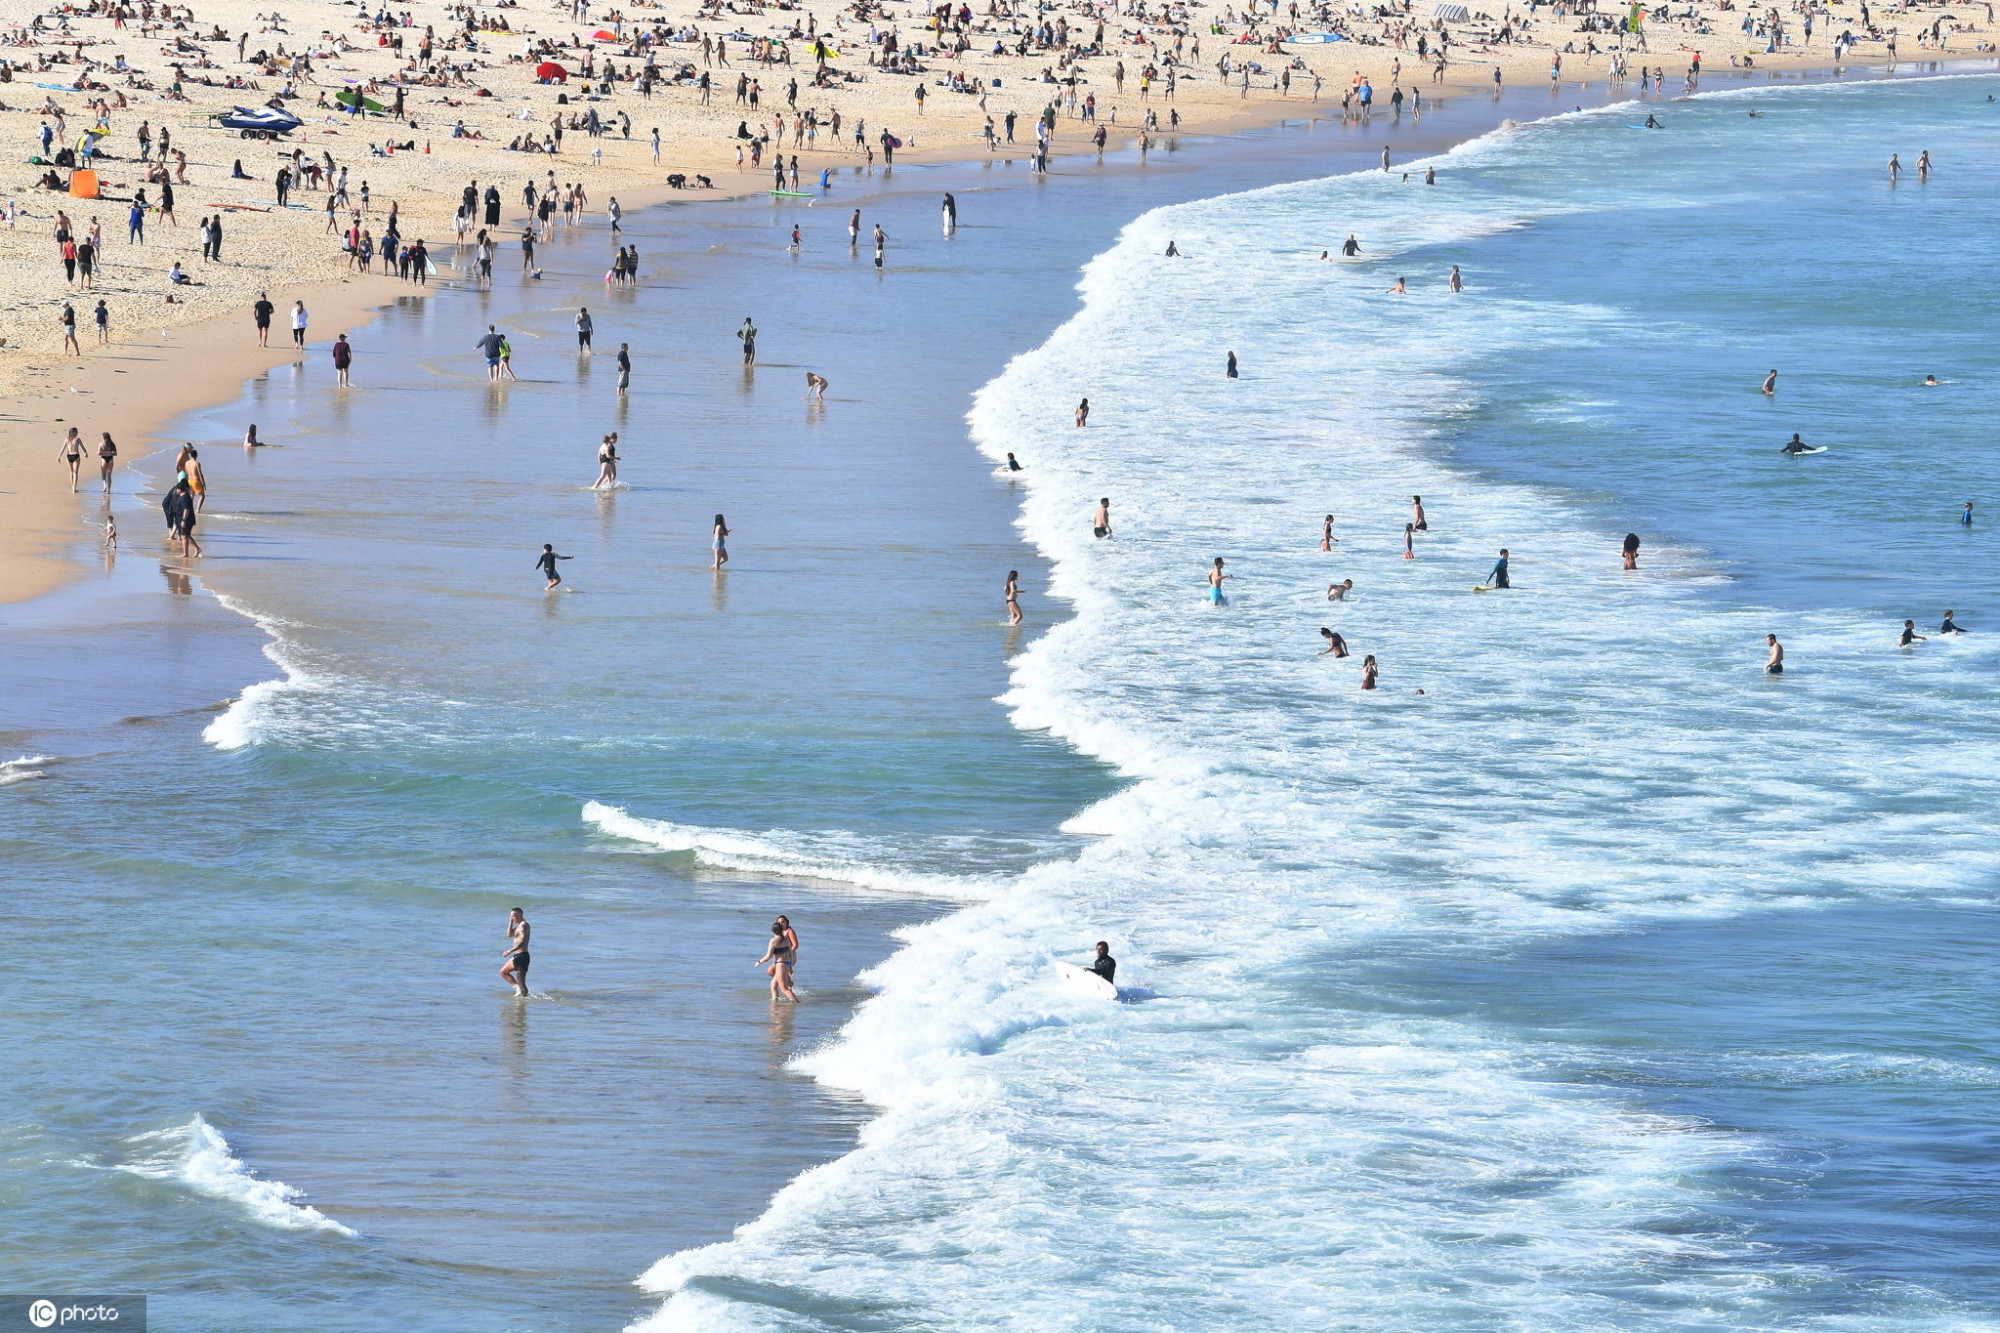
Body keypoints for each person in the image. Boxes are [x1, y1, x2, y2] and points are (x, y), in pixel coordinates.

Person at [756, 916, 799, 1001]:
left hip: (785, 960)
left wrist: (759, 962)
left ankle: (796, 1003)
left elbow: (795, 945)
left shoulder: (788, 932)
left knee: (784, 989)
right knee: (773, 982)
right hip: (785, 961)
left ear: (787, 922)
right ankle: (775, 1001)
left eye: (782, 922)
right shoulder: (783, 937)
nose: (781, 923)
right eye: (779, 922)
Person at [499, 908, 531, 996]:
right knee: (503, 972)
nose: (511, 918)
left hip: (522, 957)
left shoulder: (523, 925)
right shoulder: (519, 925)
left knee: (522, 983)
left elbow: (522, 941)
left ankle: (524, 1001)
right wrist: (511, 922)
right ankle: (517, 988)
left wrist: (509, 950)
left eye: (513, 916)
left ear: (519, 915)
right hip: (517, 956)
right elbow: (509, 935)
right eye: (510, 916)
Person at [57, 427, 84, 492]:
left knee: (71, 471)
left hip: (69, 456)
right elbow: (83, 447)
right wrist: (85, 453)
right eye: (77, 432)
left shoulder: (67, 439)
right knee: (75, 472)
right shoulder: (78, 439)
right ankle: (74, 488)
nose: (77, 433)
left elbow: (62, 448)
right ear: (75, 433)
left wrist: (59, 456)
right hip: (76, 456)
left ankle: (73, 487)